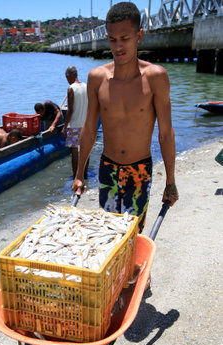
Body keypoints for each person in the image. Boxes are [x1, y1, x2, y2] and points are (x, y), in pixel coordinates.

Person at [72, 2, 179, 233]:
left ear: (138, 36)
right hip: (107, 168)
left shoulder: (155, 77)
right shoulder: (97, 77)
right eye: (112, 39)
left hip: (139, 170)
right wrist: (79, 174)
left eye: (125, 38)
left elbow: (166, 133)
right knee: (108, 233)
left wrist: (170, 180)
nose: (118, 46)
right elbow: (89, 129)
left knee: (132, 234)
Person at [62, 66, 89, 178]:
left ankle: (75, 177)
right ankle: (85, 175)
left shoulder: (71, 88)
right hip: (86, 125)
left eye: (66, 77)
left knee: (74, 152)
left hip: (75, 125)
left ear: (69, 76)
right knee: (85, 151)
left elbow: (70, 110)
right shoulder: (87, 86)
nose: (67, 80)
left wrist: (65, 126)